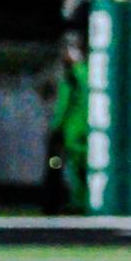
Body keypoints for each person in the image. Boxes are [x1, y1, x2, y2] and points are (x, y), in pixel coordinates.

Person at [46, 29, 88, 212]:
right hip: (77, 130)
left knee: (62, 165)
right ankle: (77, 200)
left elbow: (65, 104)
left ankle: (75, 201)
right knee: (70, 166)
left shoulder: (73, 75)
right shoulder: (82, 73)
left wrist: (56, 126)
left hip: (71, 132)